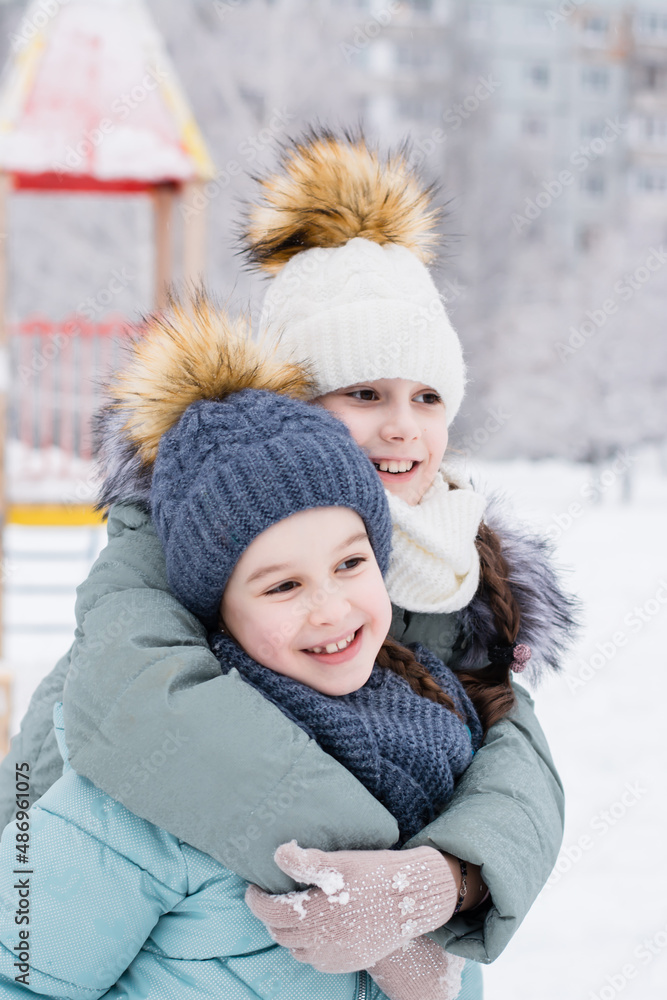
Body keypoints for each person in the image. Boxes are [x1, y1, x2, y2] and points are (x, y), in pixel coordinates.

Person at [0, 130, 578, 994]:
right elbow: (149, 711)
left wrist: (440, 884)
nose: (400, 428)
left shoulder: (452, 559)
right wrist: (364, 872)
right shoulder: (183, 534)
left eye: (426, 396)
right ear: (289, 404)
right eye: (362, 393)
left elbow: (508, 750)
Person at [0, 376, 496, 1000]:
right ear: (220, 610)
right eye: (282, 586)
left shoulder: (434, 726)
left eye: (350, 563)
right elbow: (21, 975)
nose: (330, 608)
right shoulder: (146, 779)